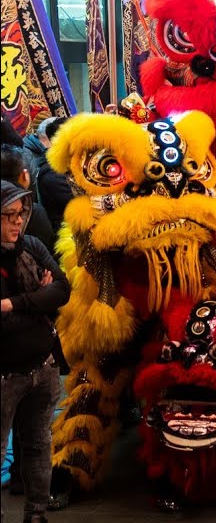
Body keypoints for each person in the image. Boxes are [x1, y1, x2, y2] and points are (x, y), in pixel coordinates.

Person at [1, 180, 71, 523]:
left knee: (39, 446)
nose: (18, 221)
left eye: (21, 213)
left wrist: (15, 303)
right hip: (5, 374)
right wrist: (41, 306)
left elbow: (62, 289)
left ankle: (37, 515)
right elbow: (4, 326)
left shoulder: (32, 244)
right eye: (9, 215)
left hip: (43, 368)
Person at [0, 147, 55, 253]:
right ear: (24, 175)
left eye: (21, 212)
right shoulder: (35, 212)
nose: (19, 220)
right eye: (12, 214)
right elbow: (50, 251)